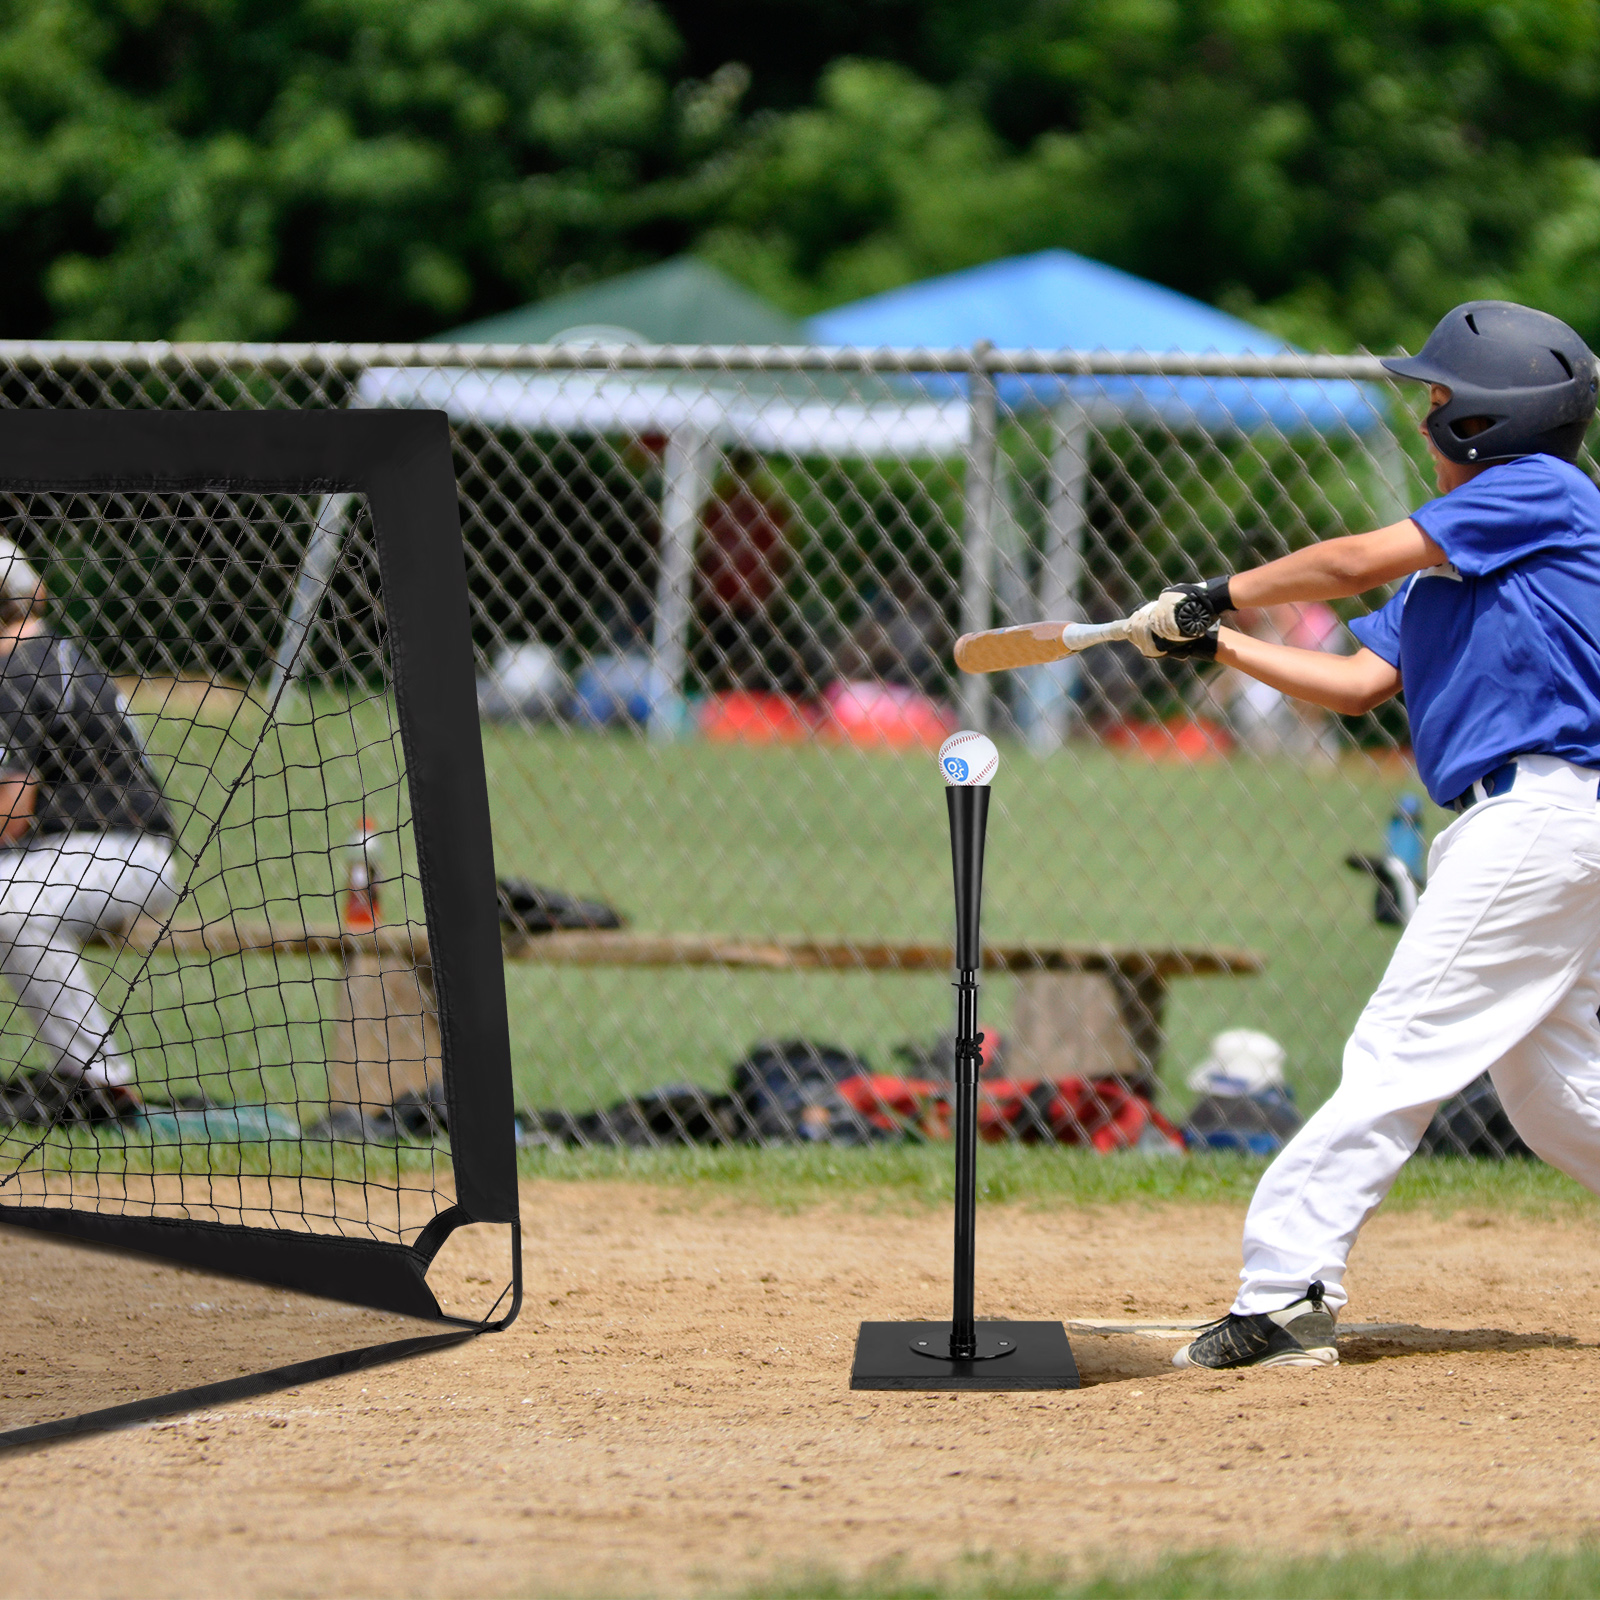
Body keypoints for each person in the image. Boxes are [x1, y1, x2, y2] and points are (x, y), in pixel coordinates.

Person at [1125, 300, 1600, 1368]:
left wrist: (1214, 591)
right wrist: (1223, 647)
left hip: (1541, 814)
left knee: (1398, 1050)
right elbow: (1353, 683)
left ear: (1485, 421)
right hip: (1537, 824)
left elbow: (1345, 560)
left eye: (1437, 397)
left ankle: (1286, 1293)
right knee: (1554, 1093)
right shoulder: (1463, 559)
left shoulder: (1539, 492)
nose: (1424, 412)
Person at [0, 538, 178, 1125]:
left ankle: (100, 1083)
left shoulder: (12, 668)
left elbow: (10, 812)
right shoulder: (60, 654)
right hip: (114, 852)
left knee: (11, 904)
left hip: (113, 851)